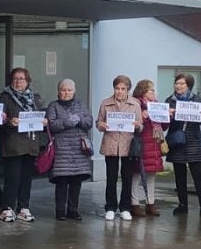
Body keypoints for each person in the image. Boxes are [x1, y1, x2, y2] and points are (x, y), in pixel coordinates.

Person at [0, 66, 44, 223]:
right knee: (13, 178)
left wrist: (44, 121)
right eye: (15, 79)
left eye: (21, 79)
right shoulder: (5, 97)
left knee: (26, 179)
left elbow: (40, 115)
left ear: (27, 81)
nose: (18, 82)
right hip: (13, 144)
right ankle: (7, 208)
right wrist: (10, 122)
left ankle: (23, 207)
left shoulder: (35, 98)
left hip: (31, 144)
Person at [165, 73, 201, 221]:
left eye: (182, 84)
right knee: (179, 176)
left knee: (198, 176)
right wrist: (167, 115)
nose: (178, 86)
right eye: (177, 83)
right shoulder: (169, 101)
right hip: (177, 142)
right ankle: (182, 204)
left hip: (193, 141)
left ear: (189, 86)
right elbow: (164, 123)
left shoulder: (197, 100)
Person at [97, 74, 143, 222]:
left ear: (128, 89)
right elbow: (99, 121)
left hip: (128, 145)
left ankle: (125, 208)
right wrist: (101, 125)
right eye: (117, 88)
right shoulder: (105, 103)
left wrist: (138, 126)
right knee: (111, 178)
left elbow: (141, 126)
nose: (120, 91)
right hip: (110, 144)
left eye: (123, 88)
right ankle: (110, 207)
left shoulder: (135, 104)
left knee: (127, 178)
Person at [45, 78, 92, 221]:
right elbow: (50, 125)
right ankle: (60, 211)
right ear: (58, 92)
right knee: (62, 181)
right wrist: (66, 122)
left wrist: (80, 120)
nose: (66, 93)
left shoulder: (81, 105)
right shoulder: (53, 106)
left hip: (78, 149)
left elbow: (89, 122)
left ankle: (73, 210)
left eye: (69, 90)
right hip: (61, 149)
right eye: (63, 90)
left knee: (76, 181)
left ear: (74, 91)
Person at [129, 80, 165, 217]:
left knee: (151, 176)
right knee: (137, 175)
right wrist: (143, 118)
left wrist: (167, 116)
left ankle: (151, 203)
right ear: (143, 92)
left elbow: (164, 126)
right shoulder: (137, 104)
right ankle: (135, 204)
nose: (154, 93)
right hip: (141, 145)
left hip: (154, 144)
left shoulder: (156, 105)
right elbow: (134, 125)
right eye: (151, 90)